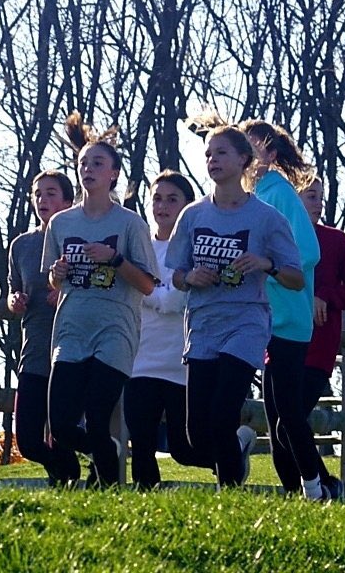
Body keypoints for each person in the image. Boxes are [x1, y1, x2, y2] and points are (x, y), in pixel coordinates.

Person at [166, 125, 304, 488]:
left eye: (221, 153)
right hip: (203, 324)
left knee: (222, 414)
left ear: (244, 159)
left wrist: (265, 265)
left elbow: (296, 277)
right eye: (209, 154)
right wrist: (190, 277)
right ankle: (237, 454)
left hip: (246, 322)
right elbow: (176, 276)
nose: (212, 160)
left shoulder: (266, 217)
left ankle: (228, 493)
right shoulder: (193, 216)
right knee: (196, 433)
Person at [43, 113, 158, 487]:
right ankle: (103, 447)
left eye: (97, 163)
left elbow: (146, 285)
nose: (87, 169)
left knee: (96, 413)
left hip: (115, 331)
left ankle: (108, 488)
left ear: (113, 174)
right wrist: (56, 275)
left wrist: (114, 258)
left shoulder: (130, 224)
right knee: (60, 423)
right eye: (82, 163)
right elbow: (52, 279)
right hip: (71, 330)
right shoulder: (61, 224)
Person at [239, 119, 326, 500]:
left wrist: (267, 268)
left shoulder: (282, 194)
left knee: (288, 412)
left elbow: (309, 252)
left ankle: (316, 487)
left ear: (270, 154)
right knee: (275, 415)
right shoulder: (251, 197)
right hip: (263, 319)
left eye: (251, 146)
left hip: (289, 318)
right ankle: (295, 493)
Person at [123, 170, 216, 489]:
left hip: (181, 363)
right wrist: (153, 291)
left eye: (172, 199)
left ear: (187, 205)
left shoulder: (194, 249)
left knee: (183, 448)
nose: (163, 206)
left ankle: (231, 455)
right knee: (142, 444)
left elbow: (176, 302)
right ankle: (143, 508)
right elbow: (132, 291)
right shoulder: (140, 248)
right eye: (157, 199)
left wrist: (148, 290)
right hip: (141, 360)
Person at [297, 175, 345, 499]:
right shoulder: (278, 237)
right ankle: (311, 490)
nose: (318, 201)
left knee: (293, 418)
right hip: (279, 344)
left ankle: (326, 486)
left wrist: (324, 296)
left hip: (319, 346)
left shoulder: (336, 240)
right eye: (311, 195)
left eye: (320, 196)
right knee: (282, 427)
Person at [6, 170, 75, 485]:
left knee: (63, 431)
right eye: (37, 194)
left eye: (50, 194)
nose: (42, 200)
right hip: (33, 350)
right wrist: (15, 301)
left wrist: (67, 293)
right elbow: (13, 292)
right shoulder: (22, 245)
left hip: (72, 349)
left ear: (67, 201)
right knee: (28, 440)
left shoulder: (77, 239)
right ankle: (66, 471)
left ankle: (66, 483)